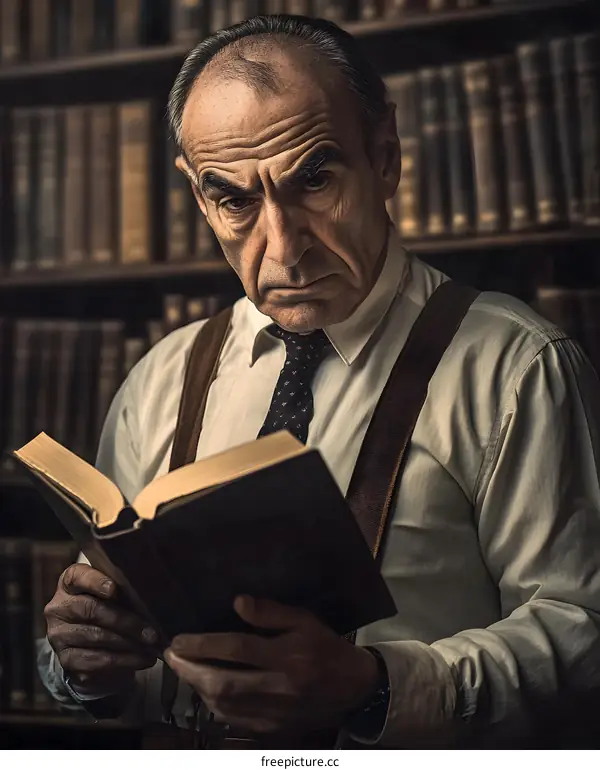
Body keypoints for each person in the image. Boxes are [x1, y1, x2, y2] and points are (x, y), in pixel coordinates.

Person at [38, 14, 600, 749]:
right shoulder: (161, 378)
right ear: (198, 194)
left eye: (315, 180)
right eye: (235, 199)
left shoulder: (518, 366)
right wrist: (83, 664)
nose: (284, 248)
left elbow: (581, 633)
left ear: (387, 156)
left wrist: (376, 690)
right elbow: (122, 658)